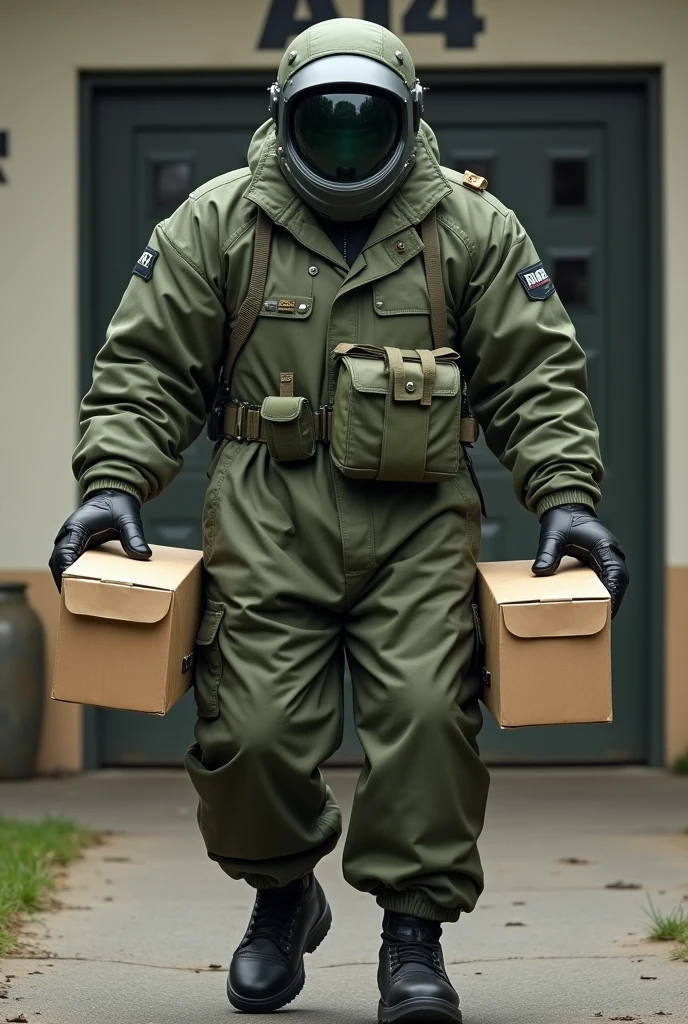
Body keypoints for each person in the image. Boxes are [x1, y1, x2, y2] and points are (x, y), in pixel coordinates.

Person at [49, 18, 628, 1023]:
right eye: (329, 122)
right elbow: (145, 369)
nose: (350, 141)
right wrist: (113, 481)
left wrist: (567, 495)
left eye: (372, 121)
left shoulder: (469, 229)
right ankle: (282, 894)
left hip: (418, 520)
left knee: (424, 721)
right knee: (254, 731)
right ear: (284, 118)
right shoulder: (219, 222)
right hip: (269, 514)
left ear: (409, 120)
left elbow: (536, 374)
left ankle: (414, 939)